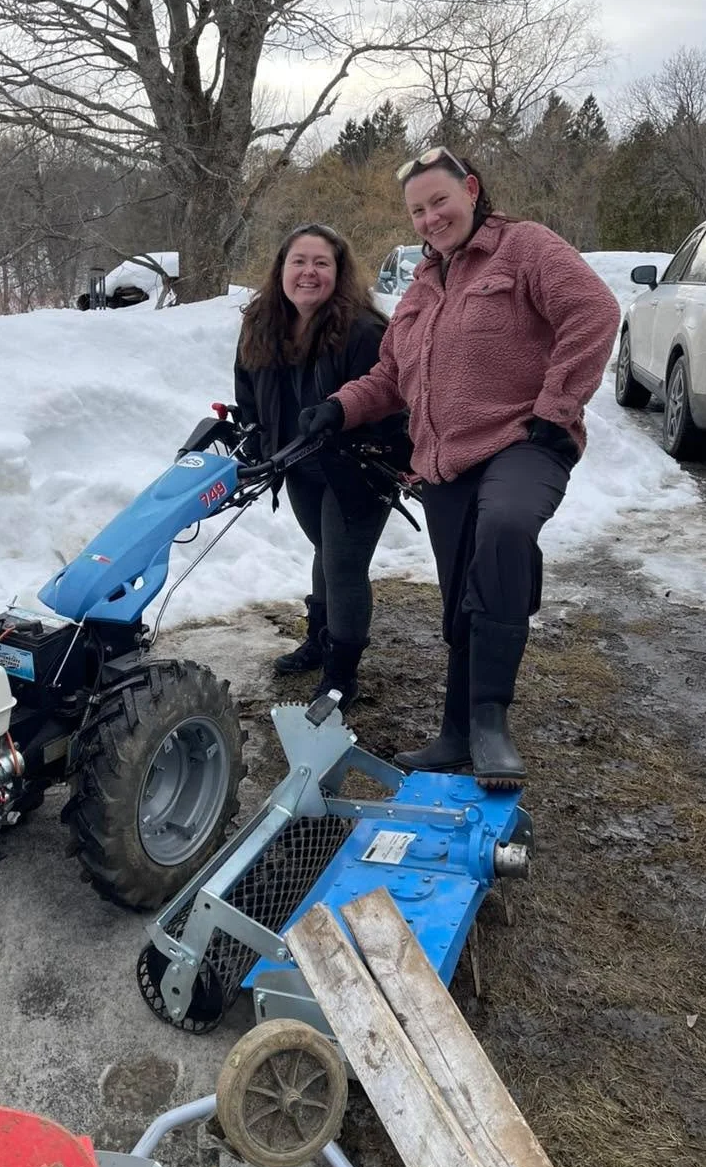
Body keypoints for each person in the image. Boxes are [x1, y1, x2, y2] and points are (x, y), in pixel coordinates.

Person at [299, 148, 620, 788]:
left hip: (524, 442)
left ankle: (490, 721)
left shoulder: (524, 248)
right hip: (444, 466)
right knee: (460, 602)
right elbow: (392, 375)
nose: (429, 218)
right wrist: (340, 407)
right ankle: (455, 732)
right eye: (417, 210)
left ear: (471, 190)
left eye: (438, 201)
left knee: (504, 529)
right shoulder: (422, 285)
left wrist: (557, 409)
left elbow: (595, 311)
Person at [234, 223, 409, 705]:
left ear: (339, 272)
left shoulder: (364, 330)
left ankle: (341, 675)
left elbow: (389, 401)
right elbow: (248, 389)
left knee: (343, 563)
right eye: (299, 261)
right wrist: (253, 435)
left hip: (360, 467)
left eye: (321, 263)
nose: (308, 272)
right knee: (324, 550)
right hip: (299, 465)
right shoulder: (261, 322)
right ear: (281, 269)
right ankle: (319, 639)